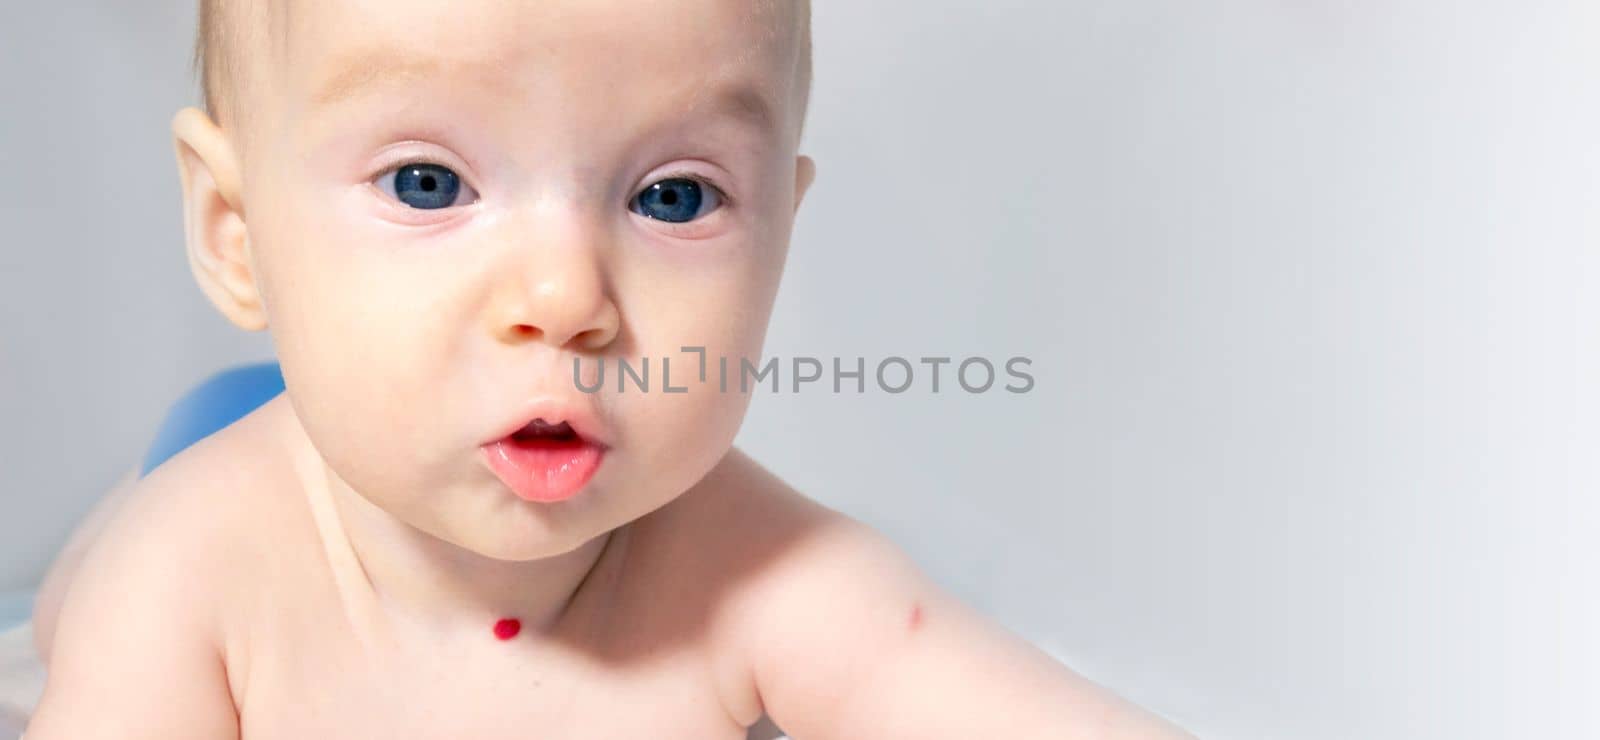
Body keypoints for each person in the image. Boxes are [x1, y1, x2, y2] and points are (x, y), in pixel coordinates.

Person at [27, 1, 1192, 737]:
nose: (564, 300)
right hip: (227, 454)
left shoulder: (762, 572)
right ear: (237, 230)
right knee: (82, 590)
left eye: (672, 196)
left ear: (781, 230)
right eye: (429, 183)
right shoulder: (189, 578)